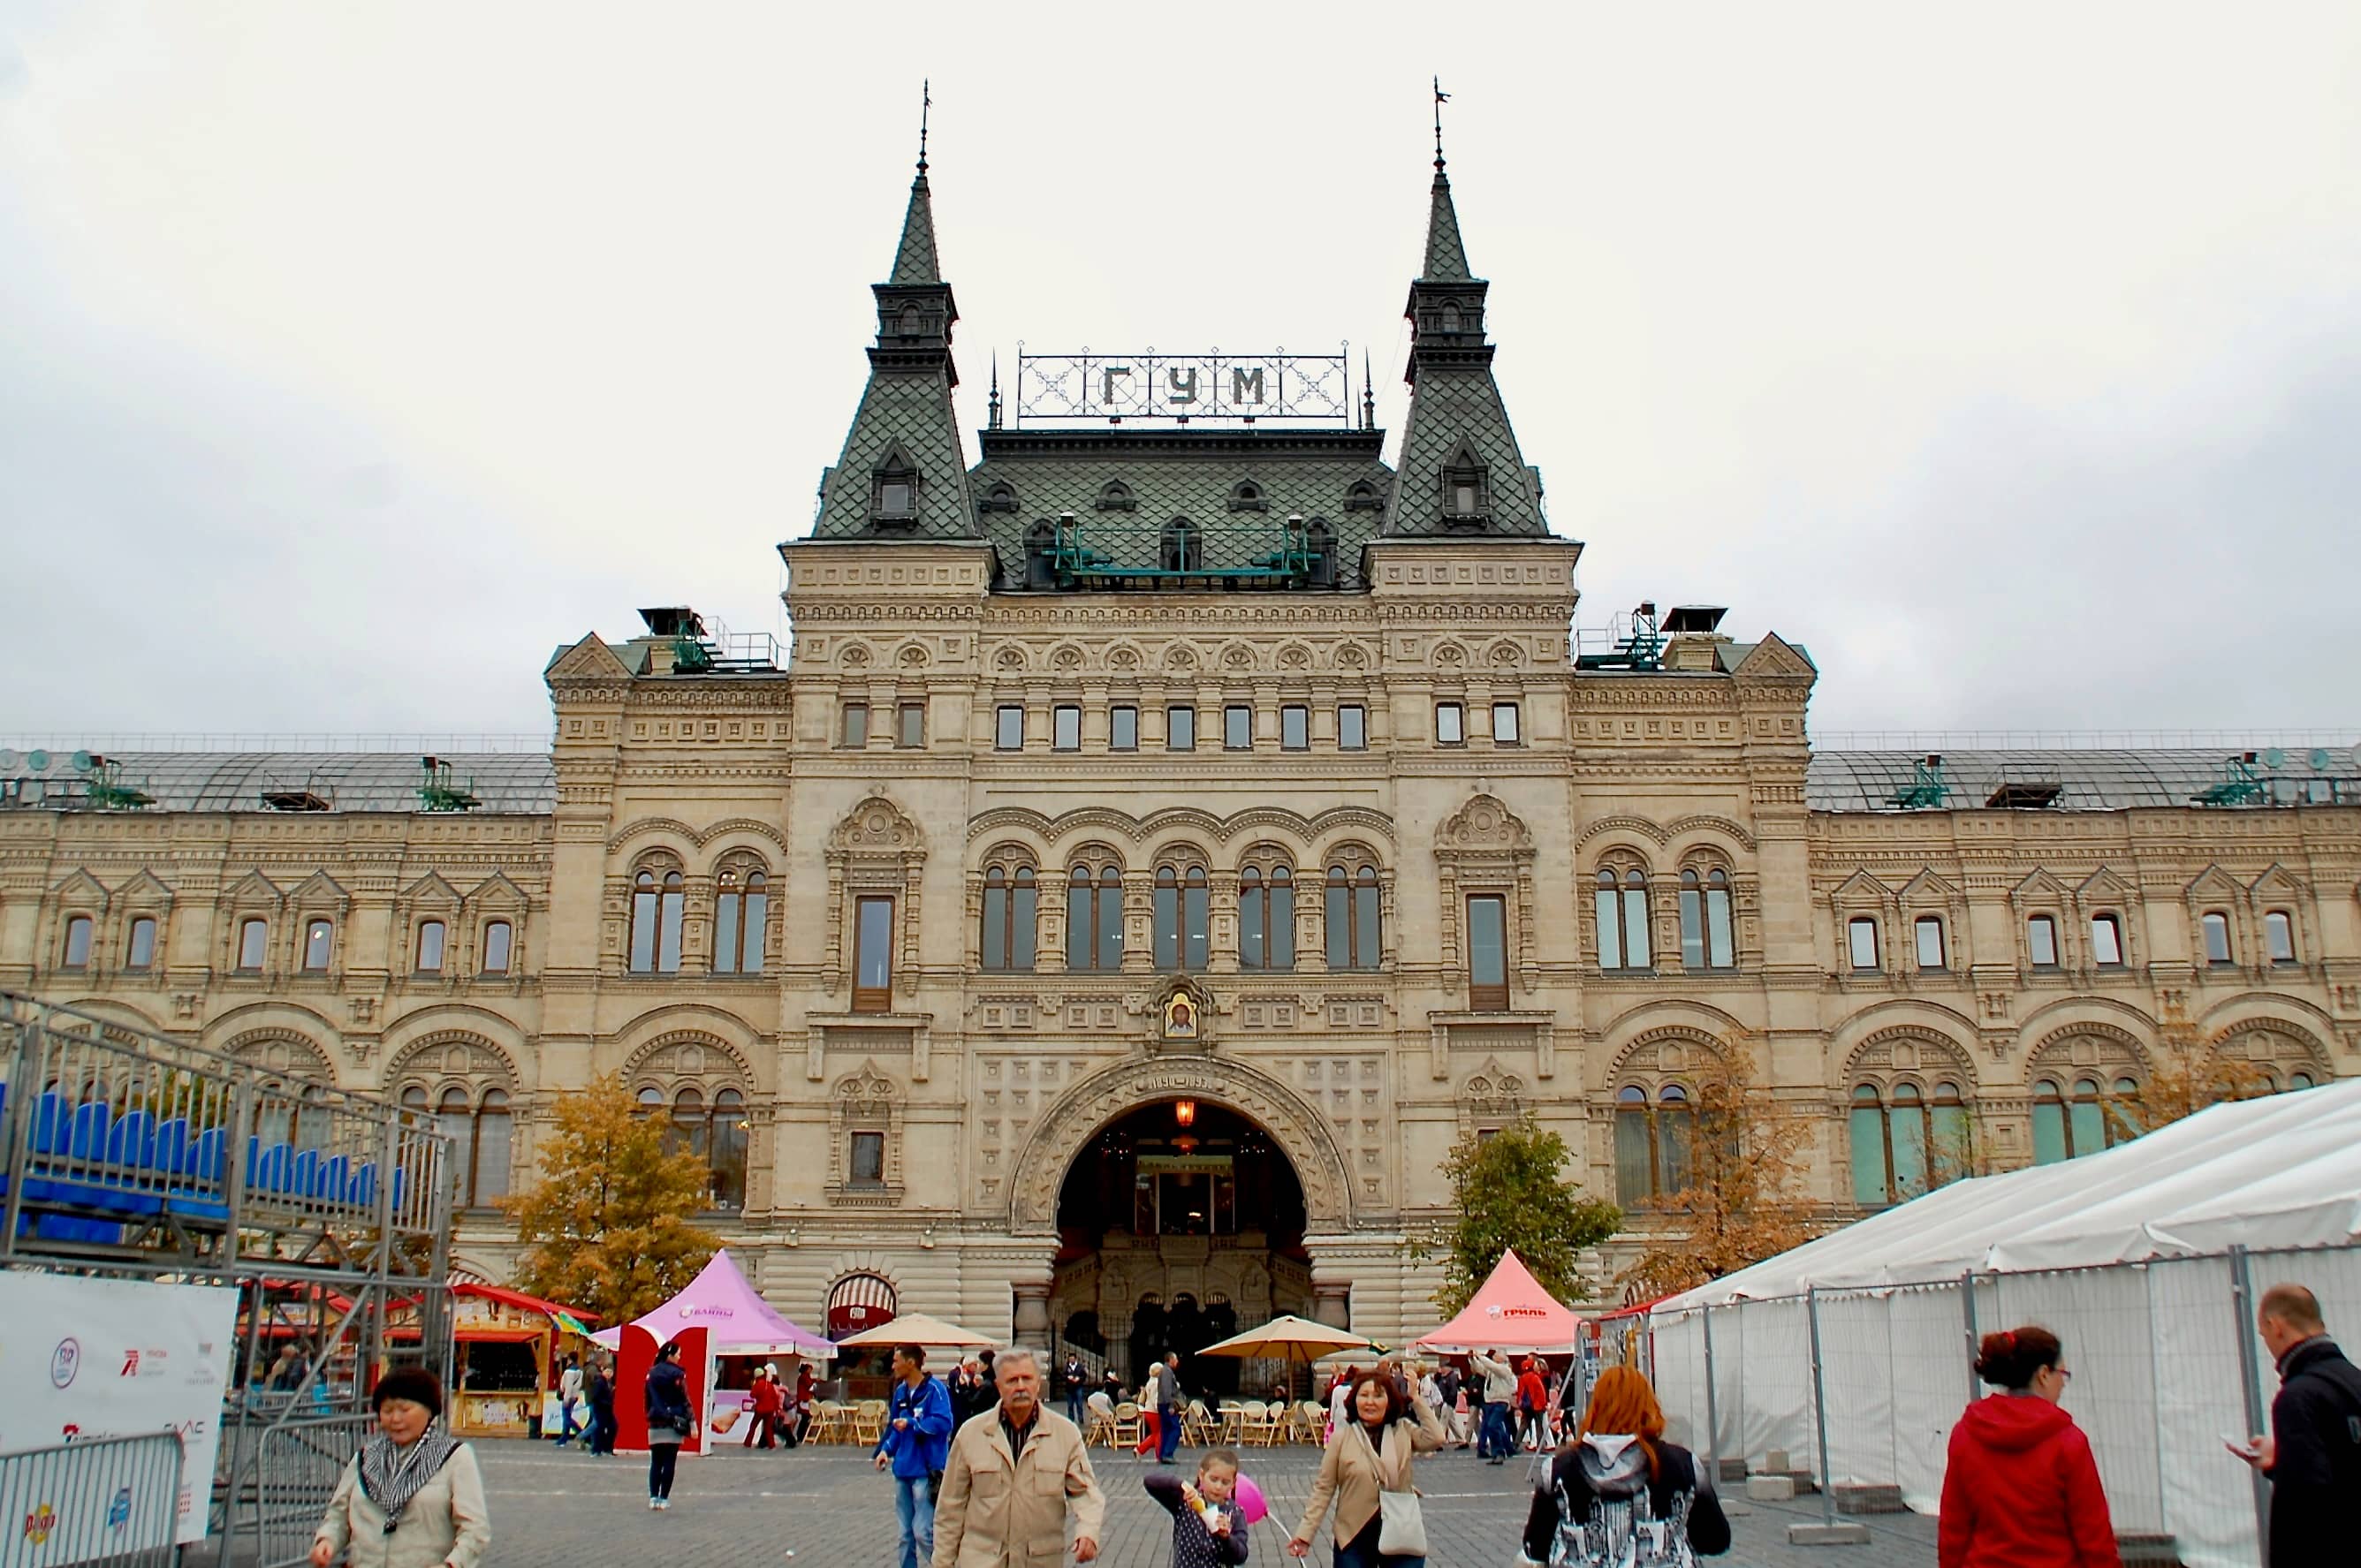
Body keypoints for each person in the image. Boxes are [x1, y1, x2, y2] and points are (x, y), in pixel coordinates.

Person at [1938, 1326, 2118, 1568]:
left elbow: (1954, 1526)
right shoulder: (2069, 1441)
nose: (2063, 1384)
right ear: (2043, 1374)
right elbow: (2094, 1535)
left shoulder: (1965, 1434)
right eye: (2062, 1374)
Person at [1519, 1366, 1728, 1568]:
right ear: (1649, 1406)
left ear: (1596, 1407)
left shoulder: (1556, 1470)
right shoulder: (1684, 1464)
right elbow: (1715, 1540)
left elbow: (1535, 1548)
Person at [932, 1345, 1105, 1566]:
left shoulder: (1065, 1433)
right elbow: (950, 1507)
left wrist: (1088, 1532)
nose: (1021, 1387)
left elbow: (1086, 1493)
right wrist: (942, 1563)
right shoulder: (970, 1434)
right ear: (998, 1386)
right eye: (1012, 1380)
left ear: (1038, 1384)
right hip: (981, 1559)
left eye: (1027, 1378)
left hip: (1039, 1560)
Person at [2230, 1282, 2361, 1567]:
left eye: (2263, 1333)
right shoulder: (2354, 1382)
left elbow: (2305, 1502)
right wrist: (2282, 1459)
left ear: (2276, 1326)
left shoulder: (2297, 1397)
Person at [308, 1367, 489, 1568]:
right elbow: (338, 1516)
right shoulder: (365, 1458)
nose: (395, 1419)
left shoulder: (454, 1457)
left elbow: (474, 1530)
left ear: (428, 1410)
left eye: (404, 1410)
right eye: (387, 1411)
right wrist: (327, 1541)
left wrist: (452, 1564)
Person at [1288, 1371, 1446, 1566]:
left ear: (1389, 1401)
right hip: (1354, 1534)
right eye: (1364, 1395)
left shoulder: (1403, 1430)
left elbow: (1436, 1438)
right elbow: (1323, 1488)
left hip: (1401, 1530)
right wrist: (1305, 1534)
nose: (1370, 1402)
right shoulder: (1342, 1438)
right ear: (1354, 1400)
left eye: (1378, 1395)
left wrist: (1416, 1399)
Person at [876, 1344, 954, 1568]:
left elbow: (944, 1422)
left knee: (923, 1532)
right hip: (903, 1469)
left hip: (926, 1470)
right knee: (904, 1535)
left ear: (910, 1363)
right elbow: (895, 1428)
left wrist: (912, 1424)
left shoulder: (935, 1390)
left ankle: (945, 1564)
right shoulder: (901, 1392)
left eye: (895, 1361)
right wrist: (885, 1450)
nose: (892, 1366)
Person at [1144, 1447, 1251, 1566]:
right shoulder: (1186, 1501)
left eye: (1225, 1482)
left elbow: (1241, 1556)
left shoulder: (1235, 1512)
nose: (1218, 1487)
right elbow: (1150, 1481)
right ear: (1202, 1475)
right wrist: (1182, 1485)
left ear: (1233, 1483)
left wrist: (1226, 1538)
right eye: (1213, 1479)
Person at [643, 1340, 696, 1511]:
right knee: (669, 1462)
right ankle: (664, 1498)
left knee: (656, 1462)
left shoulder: (652, 1373)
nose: (680, 1357)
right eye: (678, 1354)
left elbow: (647, 1398)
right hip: (674, 1421)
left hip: (656, 1421)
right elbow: (685, 1399)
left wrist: (650, 1414)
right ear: (671, 1355)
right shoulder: (678, 1374)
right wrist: (692, 1423)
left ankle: (653, 1497)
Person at [1469, 1349, 1516, 1465]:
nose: (1494, 1357)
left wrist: (1479, 1356)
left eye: (1496, 1355)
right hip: (1490, 1401)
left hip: (1500, 1402)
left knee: (1492, 1425)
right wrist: (1472, 1359)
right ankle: (1499, 1452)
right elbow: (1480, 1369)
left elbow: (1492, 1366)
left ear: (1503, 1357)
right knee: (1493, 1427)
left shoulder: (1505, 1369)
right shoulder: (1492, 1370)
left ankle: (1500, 1452)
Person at [1155, 1352, 1185, 1465]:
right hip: (1167, 1404)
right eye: (1176, 1359)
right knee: (1175, 1428)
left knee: (1166, 1430)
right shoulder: (1167, 1372)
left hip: (1163, 1403)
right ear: (1171, 1359)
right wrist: (1171, 1405)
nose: (1177, 1362)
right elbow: (1167, 1390)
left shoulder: (1165, 1371)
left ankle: (1163, 1454)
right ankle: (1167, 1454)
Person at [745, 1366, 785, 1450]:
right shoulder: (769, 1384)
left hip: (760, 1409)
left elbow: (752, 1395)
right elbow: (775, 1397)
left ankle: (747, 1443)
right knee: (768, 1429)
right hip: (770, 1410)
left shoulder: (758, 1384)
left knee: (753, 1426)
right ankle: (771, 1445)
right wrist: (777, 1409)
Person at [1516, 1359, 1550, 1453]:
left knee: (1523, 1425)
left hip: (1526, 1406)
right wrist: (1543, 1404)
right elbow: (1541, 1392)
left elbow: (1520, 1392)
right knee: (1539, 1426)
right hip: (1537, 1406)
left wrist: (1520, 1403)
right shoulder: (1535, 1377)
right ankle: (1540, 1447)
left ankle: (1516, 1444)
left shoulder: (1522, 1378)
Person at [584, 1357, 615, 1456]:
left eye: (611, 1372)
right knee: (599, 1428)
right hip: (601, 1409)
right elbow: (596, 1396)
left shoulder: (606, 1382)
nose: (609, 1373)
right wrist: (606, 1403)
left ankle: (602, 1448)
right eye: (608, 1371)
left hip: (606, 1409)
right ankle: (596, 1449)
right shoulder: (600, 1382)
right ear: (603, 1370)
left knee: (608, 1427)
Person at [554, 1354, 582, 1447]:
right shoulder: (580, 1370)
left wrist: (566, 1398)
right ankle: (563, 1438)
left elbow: (568, 1386)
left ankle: (582, 1433)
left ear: (570, 1360)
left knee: (566, 1418)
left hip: (569, 1396)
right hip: (575, 1395)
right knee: (567, 1417)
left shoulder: (570, 1371)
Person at [1065, 1352, 1089, 1426]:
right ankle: (1071, 1419)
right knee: (1070, 1405)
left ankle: (1081, 1418)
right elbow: (1063, 1375)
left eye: (1072, 1359)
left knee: (1079, 1404)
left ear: (1075, 1359)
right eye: (1070, 1359)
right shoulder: (1066, 1367)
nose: (1071, 1360)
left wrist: (1079, 1378)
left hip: (1078, 1387)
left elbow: (1084, 1375)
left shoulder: (1080, 1366)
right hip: (1069, 1388)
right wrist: (1067, 1377)